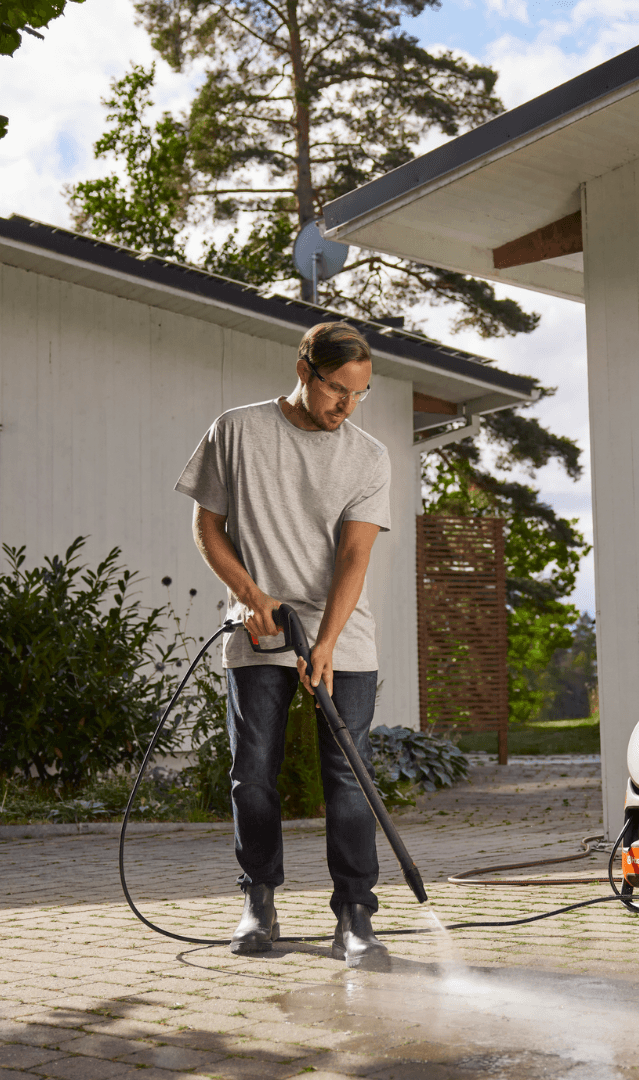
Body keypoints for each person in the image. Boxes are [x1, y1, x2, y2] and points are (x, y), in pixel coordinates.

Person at [175, 321, 393, 967]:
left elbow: (355, 557)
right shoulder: (237, 430)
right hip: (258, 627)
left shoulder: (368, 456)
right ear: (305, 371)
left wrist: (325, 642)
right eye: (336, 391)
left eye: (360, 394)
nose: (345, 407)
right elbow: (207, 525)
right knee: (254, 777)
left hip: (342, 631)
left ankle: (355, 915)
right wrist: (249, 593)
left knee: (349, 779)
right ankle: (258, 901)